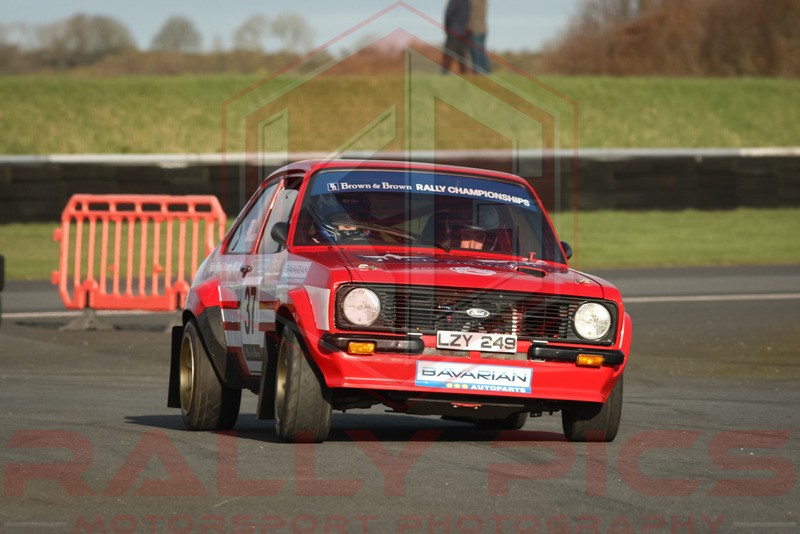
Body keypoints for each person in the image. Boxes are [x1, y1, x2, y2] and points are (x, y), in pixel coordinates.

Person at [441, 0, 471, 74]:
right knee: (462, 55)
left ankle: (445, 73)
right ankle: (464, 74)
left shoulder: (454, 1)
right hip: (464, 32)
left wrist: (447, 28)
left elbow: (448, 14)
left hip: (454, 31)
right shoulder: (468, 2)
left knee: (448, 54)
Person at [468, 0, 491, 74]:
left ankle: (476, 72)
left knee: (476, 53)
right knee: (482, 52)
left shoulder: (473, 2)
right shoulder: (484, 2)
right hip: (483, 29)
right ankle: (487, 71)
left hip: (475, 29)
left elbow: (470, 16)